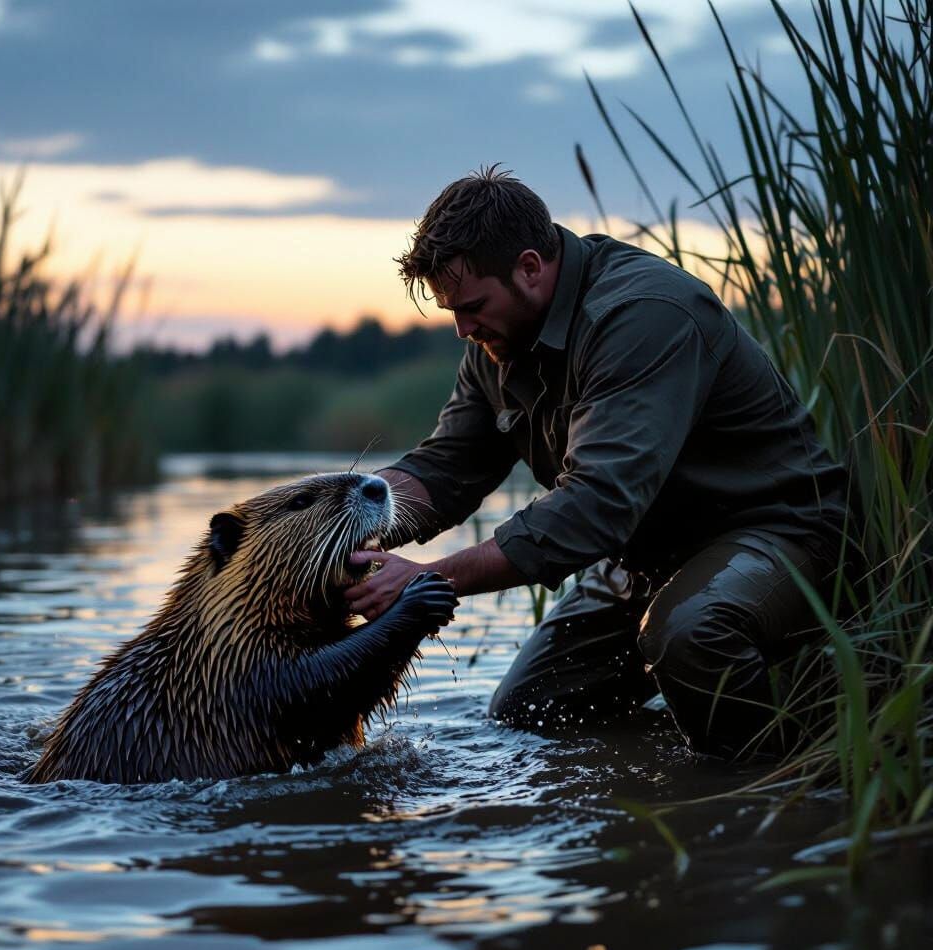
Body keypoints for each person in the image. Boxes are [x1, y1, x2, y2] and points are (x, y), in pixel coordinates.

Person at [342, 166, 849, 758]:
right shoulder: (495, 338)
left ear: (530, 267)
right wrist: (342, 525)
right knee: (532, 711)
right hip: (647, 558)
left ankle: (761, 795)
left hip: (778, 531)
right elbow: (447, 467)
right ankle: (659, 775)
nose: (461, 328)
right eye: (451, 310)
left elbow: (595, 506)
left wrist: (429, 579)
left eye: (472, 306)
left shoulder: (642, 314)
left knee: (689, 634)